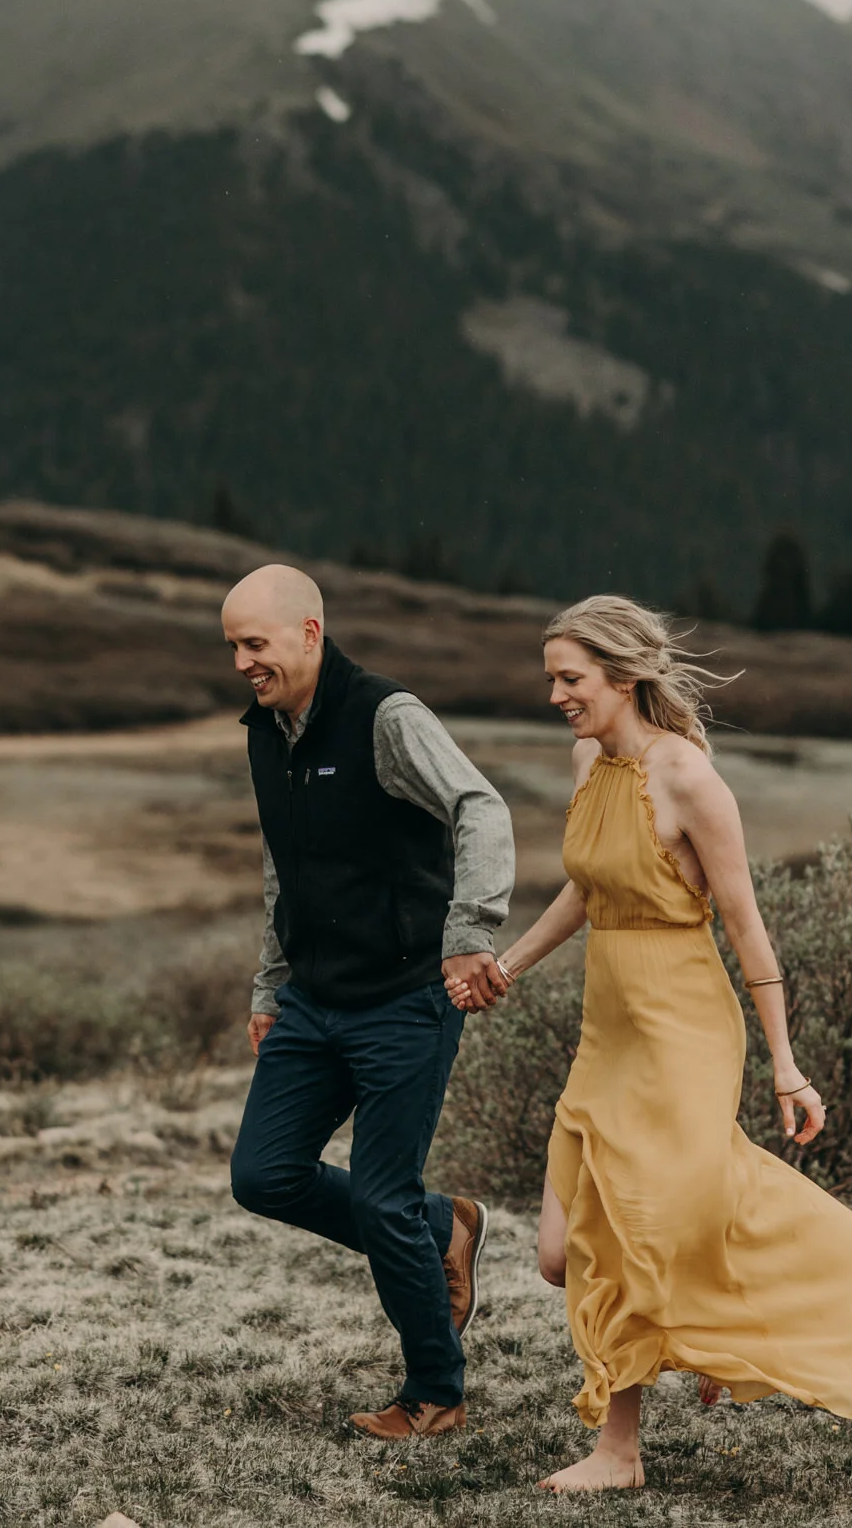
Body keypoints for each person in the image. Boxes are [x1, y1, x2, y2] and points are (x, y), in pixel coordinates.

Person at [470, 594, 852, 1491]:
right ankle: (709, 1326)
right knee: (560, 1253)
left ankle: (620, 1451)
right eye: (551, 680)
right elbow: (588, 887)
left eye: (569, 679)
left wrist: (787, 1062)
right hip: (608, 1027)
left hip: (685, 1028)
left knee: (632, 1228)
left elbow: (747, 929)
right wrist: (509, 967)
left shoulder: (688, 779)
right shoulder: (587, 763)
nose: (557, 695)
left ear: (622, 675)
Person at [222, 563, 516, 1441]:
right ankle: (447, 1228)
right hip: (313, 1002)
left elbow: (479, 806)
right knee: (263, 1174)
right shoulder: (267, 729)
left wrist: (471, 930)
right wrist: (271, 983)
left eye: (255, 643)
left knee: (381, 1200)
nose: (242, 661)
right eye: (233, 646)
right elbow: (285, 866)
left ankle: (436, 1393)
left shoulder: (388, 717)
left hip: (404, 1000)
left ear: (310, 633)